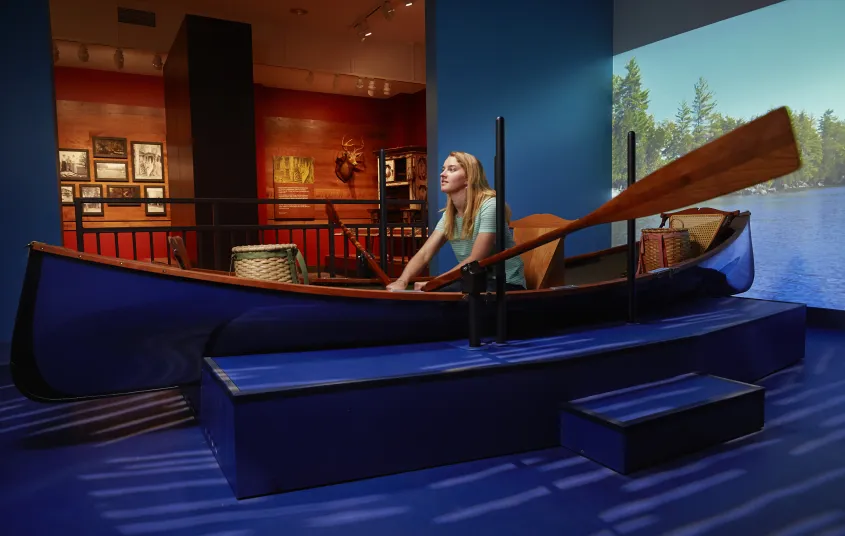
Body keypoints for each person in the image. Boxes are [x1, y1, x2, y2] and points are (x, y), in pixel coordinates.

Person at [386, 151, 526, 292]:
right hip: (476, 282)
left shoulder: (490, 206)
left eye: (452, 169)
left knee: (435, 295)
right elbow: (424, 254)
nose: (443, 174)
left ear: (469, 178)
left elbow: (476, 259)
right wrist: (402, 281)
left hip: (506, 284)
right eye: (443, 169)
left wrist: (434, 283)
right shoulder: (449, 216)